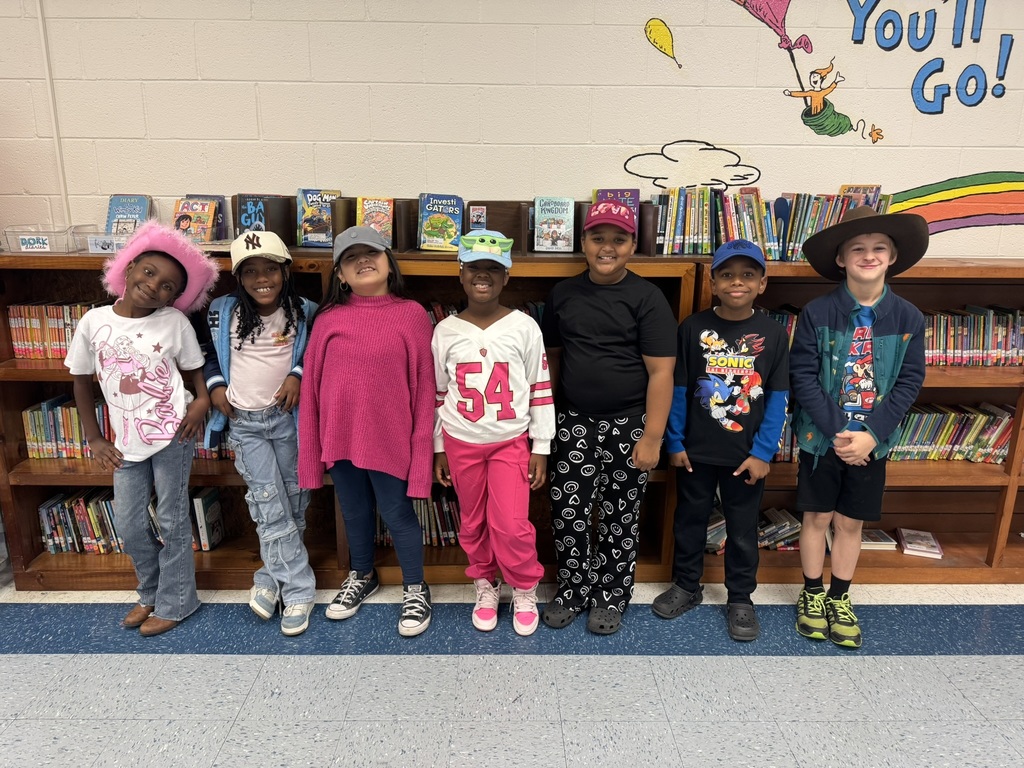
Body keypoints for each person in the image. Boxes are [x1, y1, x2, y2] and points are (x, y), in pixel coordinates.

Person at [65, 221, 219, 636]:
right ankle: (150, 592)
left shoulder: (173, 323)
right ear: (129, 268)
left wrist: (202, 400)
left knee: (171, 521)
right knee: (130, 525)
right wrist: (94, 437)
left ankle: (178, 602)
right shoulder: (93, 322)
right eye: (149, 273)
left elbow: (194, 370)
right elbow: (80, 380)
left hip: (173, 434)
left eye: (168, 286)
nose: (155, 287)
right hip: (125, 443)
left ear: (176, 297)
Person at [791, 205, 928, 648]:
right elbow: (804, 377)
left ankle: (839, 597)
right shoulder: (817, 312)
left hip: (873, 444)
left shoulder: (908, 318)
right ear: (841, 258)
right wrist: (837, 432)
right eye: (858, 249)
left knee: (850, 524)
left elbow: (910, 381)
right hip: (820, 440)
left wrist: (871, 434)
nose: (868, 256)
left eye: (878, 248)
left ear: (891, 257)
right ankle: (811, 594)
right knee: (817, 517)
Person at [540, 201, 676, 635]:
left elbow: (661, 372)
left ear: (632, 245)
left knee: (620, 514)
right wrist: (549, 421)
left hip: (629, 426)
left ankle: (612, 595)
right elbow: (555, 360)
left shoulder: (648, 298)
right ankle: (573, 588)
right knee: (568, 510)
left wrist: (653, 436)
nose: (607, 247)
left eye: (618, 239)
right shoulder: (562, 295)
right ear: (583, 242)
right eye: (598, 238)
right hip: (573, 423)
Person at [298, 225, 435, 637]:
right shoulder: (328, 319)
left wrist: (423, 455)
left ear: (388, 264)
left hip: (392, 441)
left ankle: (415, 585)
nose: (362, 262)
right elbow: (312, 392)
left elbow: (426, 390)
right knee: (354, 511)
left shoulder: (411, 315)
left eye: (371, 254)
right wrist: (310, 456)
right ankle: (363, 575)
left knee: (396, 513)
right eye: (350, 258)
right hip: (339, 440)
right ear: (339, 274)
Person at [652, 239, 789, 641]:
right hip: (695, 453)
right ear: (713, 281)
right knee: (689, 522)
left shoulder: (774, 334)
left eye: (748, 275)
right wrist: (674, 443)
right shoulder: (692, 329)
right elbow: (677, 391)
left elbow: (779, 398)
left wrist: (763, 452)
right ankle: (687, 586)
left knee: (743, 530)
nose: (737, 282)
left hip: (746, 457)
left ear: (762, 284)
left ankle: (741, 599)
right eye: (727, 274)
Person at [432, 230, 555, 636]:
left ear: (506, 277)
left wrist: (540, 446)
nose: (482, 276)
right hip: (461, 441)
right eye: (474, 268)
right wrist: (438, 448)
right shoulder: (445, 331)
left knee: (511, 523)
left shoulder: (524, 327)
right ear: (461, 274)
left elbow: (539, 388)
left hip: (509, 442)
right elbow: (437, 393)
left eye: (493, 269)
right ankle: (485, 583)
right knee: (473, 522)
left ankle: (524, 587)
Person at [203, 230, 318, 636]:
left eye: (270, 268)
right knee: (268, 503)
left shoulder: (305, 310)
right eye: (250, 271)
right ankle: (300, 590)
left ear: (285, 271)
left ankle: (270, 578)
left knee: (292, 501)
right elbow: (206, 353)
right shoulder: (221, 310)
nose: (261, 278)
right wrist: (215, 384)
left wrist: (297, 375)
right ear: (238, 277)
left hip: (287, 419)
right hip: (245, 424)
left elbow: (313, 355)